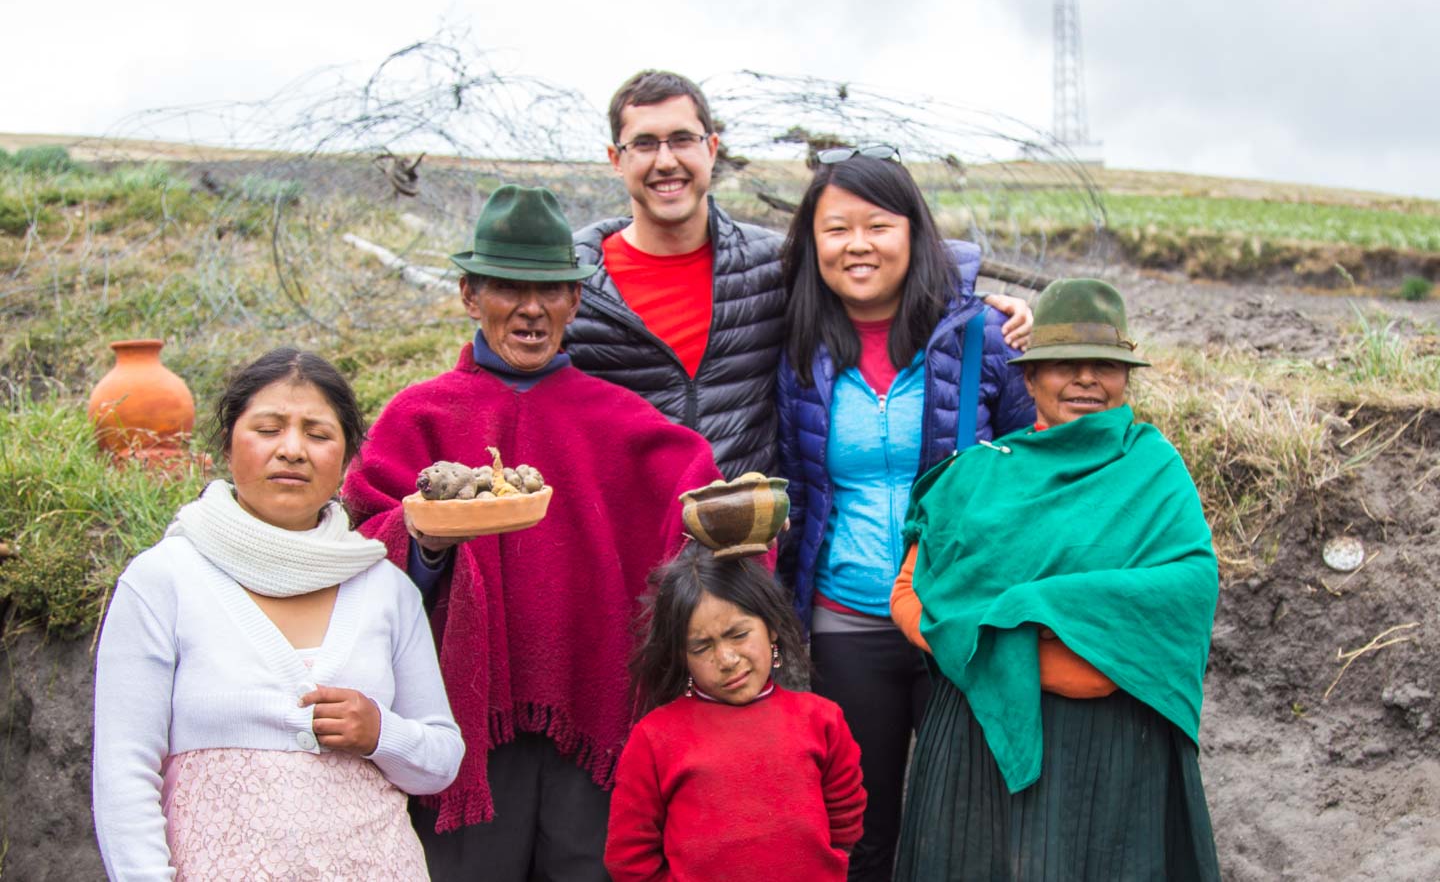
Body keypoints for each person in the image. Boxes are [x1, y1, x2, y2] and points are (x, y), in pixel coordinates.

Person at [343, 185, 724, 881]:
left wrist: (731, 535)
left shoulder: (621, 422)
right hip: (459, 724)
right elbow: (362, 545)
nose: (531, 309)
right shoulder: (417, 417)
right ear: (468, 294)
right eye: (507, 289)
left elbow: (698, 508)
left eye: (550, 290)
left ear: (575, 302)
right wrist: (424, 540)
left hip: (590, 716)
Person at [889, 278, 1221, 880]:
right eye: (1064, 364)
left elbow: (1188, 587)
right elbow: (910, 594)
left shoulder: (1152, 468)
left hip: (1114, 743)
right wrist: (1008, 653)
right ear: (1029, 378)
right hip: (977, 732)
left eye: (1105, 366)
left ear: (1126, 379)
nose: (1086, 379)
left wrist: (1030, 609)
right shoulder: (976, 476)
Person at [92, 348, 463, 880]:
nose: (292, 450)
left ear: (346, 457)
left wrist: (381, 733)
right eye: (267, 429)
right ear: (226, 446)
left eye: (317, 434)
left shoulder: (385, 589)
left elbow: (441, 762)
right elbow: (123, 773)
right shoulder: (164, 581)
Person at [773, 148, 1035, 881]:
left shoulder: (982, 334)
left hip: (961, 622)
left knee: (977, 822)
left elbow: (1035, 466)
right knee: (859, 829)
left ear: (914, 233)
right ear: (813, 244)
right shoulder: (798, 346)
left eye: (878, 225)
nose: (858, 245)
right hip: (845, 623)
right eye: (837, 229)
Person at [566, 70, 1034, 477]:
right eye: (644, 144)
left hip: (743, 560)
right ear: (615, 158)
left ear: (711, 148)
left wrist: (977, 302)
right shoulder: (575, 287)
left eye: (682, 140)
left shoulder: (770, 265)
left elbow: (873, 266)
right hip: (622, 548)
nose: (665, 160)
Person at [605, 544, 867, 882]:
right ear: (681, 655)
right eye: (702, 646)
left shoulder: (822, 720)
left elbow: (845, 819)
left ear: (771, 626)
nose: (726, 660)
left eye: (738, 635)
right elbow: (629, 856)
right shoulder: (654, 739)